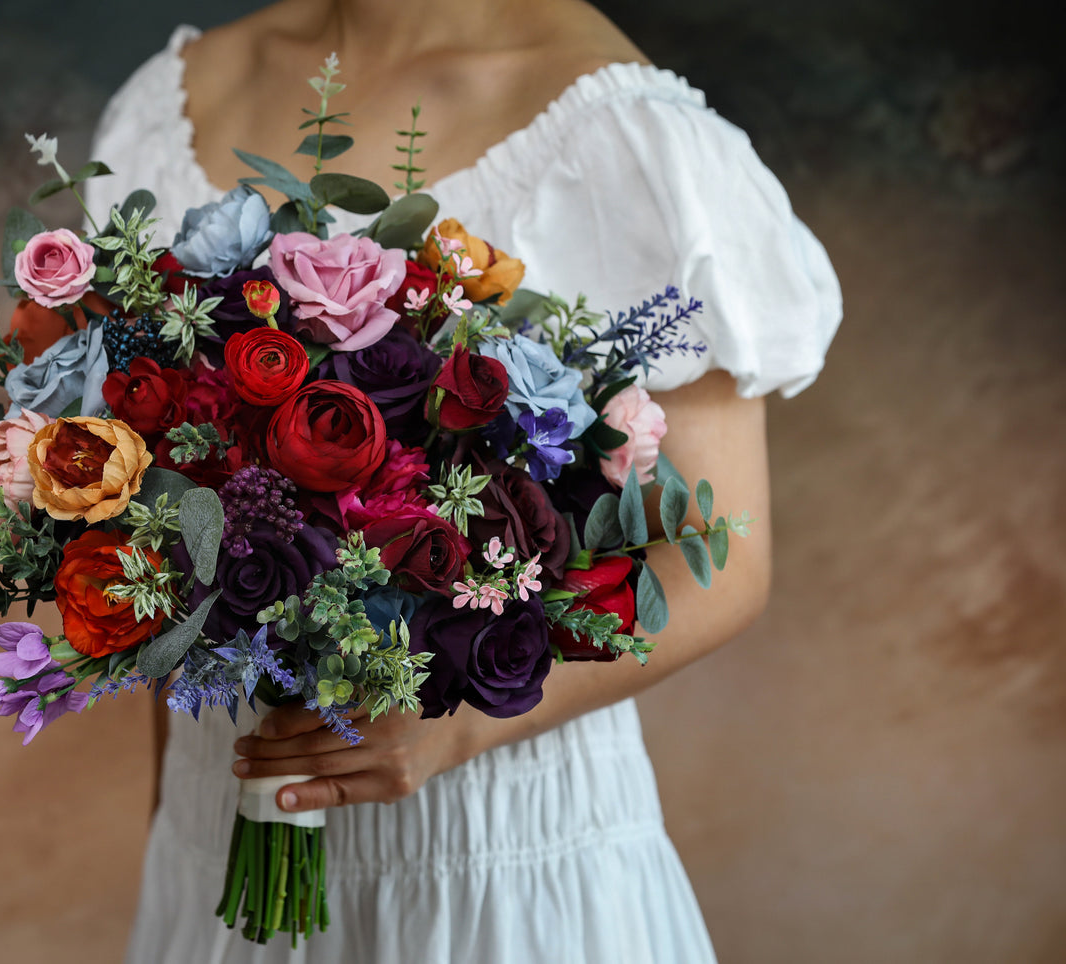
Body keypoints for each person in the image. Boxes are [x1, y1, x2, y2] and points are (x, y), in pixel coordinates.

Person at [83, 1, 841, 960]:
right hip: (221, 824)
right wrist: (178, 832)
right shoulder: (176, 98)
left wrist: (454, 732)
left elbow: (722, 564)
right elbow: (153, 523)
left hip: (492, 856)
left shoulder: (626, 134)